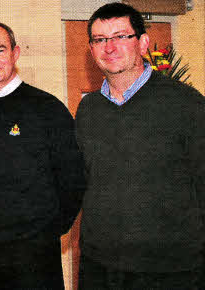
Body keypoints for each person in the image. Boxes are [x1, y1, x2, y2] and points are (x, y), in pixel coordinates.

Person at [76, 3, 204, 289]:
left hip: (170, 271)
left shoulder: (186, 104)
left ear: (143, 43)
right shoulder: (88, 110)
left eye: (121, 36)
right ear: (92, 49)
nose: (109, 47)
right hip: (100, 267)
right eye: (100, 40)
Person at [0, 22, 86, 289]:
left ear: (15, 53)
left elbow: (73, 178)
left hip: (34, 257)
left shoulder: (47, 108)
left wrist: (49, 230)